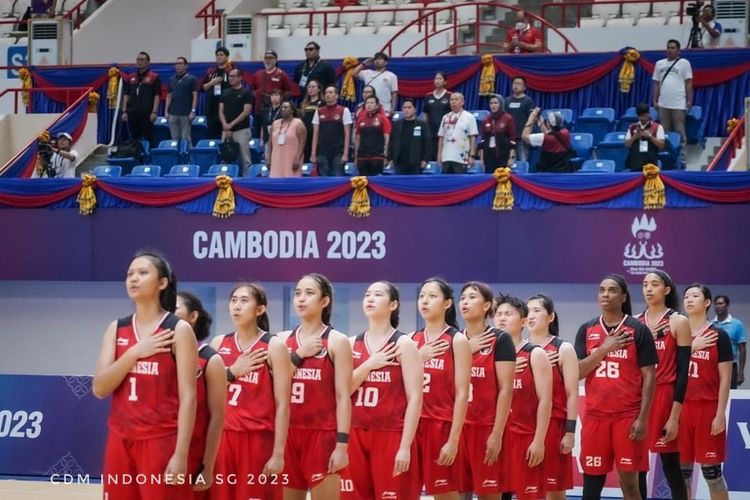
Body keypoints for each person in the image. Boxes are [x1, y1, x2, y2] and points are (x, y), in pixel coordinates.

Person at [93, 251, 197, 499]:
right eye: (130, 274)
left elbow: (189, 397)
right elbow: (99, 388)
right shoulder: (117, 328)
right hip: (120, 438)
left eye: (142, 273)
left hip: (161, 440)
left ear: (162, 283)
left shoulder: (178, 329)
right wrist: (133, 353)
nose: (133, 279)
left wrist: (181, 453)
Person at [575, 274, 657, 500]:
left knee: (630, 485)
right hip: (595, 417)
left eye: (611, 290)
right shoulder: (587, 329)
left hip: (627, 417)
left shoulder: (638, 330)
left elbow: (649, 376)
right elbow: (578, 372)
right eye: (602, 290)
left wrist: (642, 418)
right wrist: (603, 349)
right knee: (591, 485)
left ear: (623, 297)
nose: (605, 294)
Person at [209, 283, 291, 500]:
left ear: (260, 309)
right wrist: (232, 371)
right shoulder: (219, 343)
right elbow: (207, 393)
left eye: (244, 301)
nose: (236, 306)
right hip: (223, 438)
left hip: (258, 440)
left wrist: (278, 453)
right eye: (234, 300)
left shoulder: (274, 346)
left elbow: (283, 404)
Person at [344, 281, 423, 499]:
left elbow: (415, 399)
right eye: (367, 294)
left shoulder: (404, 344)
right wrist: (369, 364)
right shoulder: (351, 344)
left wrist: (405, 446)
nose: (369, 298)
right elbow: (343, 391)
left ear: (393, 305)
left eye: (377, 295)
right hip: (355, 433)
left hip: (391, 434)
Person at [280, 273, 352, 499]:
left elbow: (343, 396)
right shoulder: (282, 340)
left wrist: (341, 445)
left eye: (309, 293)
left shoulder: (337, 340)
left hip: (322, 435)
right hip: (287, 433)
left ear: (325, 301)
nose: (301, 298)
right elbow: (276, 386)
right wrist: (299, 354)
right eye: (298, 293)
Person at [412, 277, 471, 500]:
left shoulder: (457, 340)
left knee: (445, 494)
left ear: (447, 303)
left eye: (432, 296)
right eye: (422, 296)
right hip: (412, 425)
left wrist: (453, 440)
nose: (424, 301)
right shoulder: (411, 340)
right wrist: (419, 356)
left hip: (441, 427)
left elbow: (463, 393)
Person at [634, 271, 691, 500]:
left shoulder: (678, 321)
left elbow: (683, 374)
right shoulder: (636, 322)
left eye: (654, 284)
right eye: (645, 284)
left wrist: (674, 417)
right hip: (638, 400)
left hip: (666, 397)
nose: (648, 289)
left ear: (666, 289)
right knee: (637, 466)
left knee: (671, 466)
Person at [457, 282, 515, 500]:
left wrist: (497, 434)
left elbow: (506, 390)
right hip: (458, 427)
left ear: (486, 306)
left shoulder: (500, 339)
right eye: (463, 298)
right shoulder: (455, 338)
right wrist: (465, 350)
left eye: (472, 297)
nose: (465, 302)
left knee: (489, 494)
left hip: (487, 427)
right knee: (460, 493)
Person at [494, 294, 552, 500]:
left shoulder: (535, 354)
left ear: (524, 322)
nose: (501, 318)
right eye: (498, 314)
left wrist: (539, 440)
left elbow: (546, 401)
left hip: (525, 437)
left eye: (508, 314)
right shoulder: (488, 355)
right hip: (496, 436)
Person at [681, 284, 732, 500]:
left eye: (695, 296)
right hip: (680, 408)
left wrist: (720, 414)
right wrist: (692, 346)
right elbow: (666, 368)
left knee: (712, 473)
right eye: (686, 296)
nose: (689, 300)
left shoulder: (719, 335)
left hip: (707, 408)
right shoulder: (676, 332)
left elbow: (725, 379)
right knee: (681, 472)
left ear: (707, 302)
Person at [526, 294, 578, 500]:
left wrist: (570, 432)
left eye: (537, 310)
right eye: (528, 311)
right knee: (527, 488)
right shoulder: (516, 350)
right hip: (522, 426)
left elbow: (572, 393)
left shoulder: (562, 348)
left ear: (551, 317)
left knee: (554, 491)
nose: (531, 315)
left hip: (553, 427)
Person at [175, 292, 225, 499]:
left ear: (193, 316)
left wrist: (208, 465)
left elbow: (217, 417)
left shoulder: (208, 358)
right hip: (157, 447)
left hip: (193, 453)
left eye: (175, 308)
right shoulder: (155, 352)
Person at [652, 40, 693, 162]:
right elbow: (656, 84)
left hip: (678, 104)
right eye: (668, 47)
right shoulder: (659, 64)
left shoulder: (684, 63)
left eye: (673, 48)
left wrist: (689, 101)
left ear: (678, 50)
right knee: (664, 133)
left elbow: (689, 83)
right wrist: (654, 100)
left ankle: (682, 157)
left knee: (680, 132)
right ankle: (666, 157)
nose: (670, 50)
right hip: (663, 104)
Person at [122, 51, 161, 147]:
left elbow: (157, 95)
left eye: (142, 59)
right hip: (132, 111)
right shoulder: (131, 77)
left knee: (148, 137)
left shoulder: (154, 77)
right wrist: (124, 111)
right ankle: (136, 158)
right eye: (138, 59)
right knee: (135, 138)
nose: (139, 61)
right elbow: (126, 95)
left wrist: (154, 112)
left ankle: (150, 158)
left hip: (146, 112)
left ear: (148, 62)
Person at [311, 85, 352, 177]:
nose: (328, 95)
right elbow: (315, 134)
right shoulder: (319, 111)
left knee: (338, 178)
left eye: (330, 92)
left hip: (338, 152)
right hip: (322, 151)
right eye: (326, 93)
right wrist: (313, 154)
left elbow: (347, 133)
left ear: (336, 95)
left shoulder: (344, 110)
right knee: (323, 179)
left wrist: (345, 153)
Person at [252, 49, 293, 139]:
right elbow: (253, 90)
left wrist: (277, 99)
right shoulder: (257, 74)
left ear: (276, 60)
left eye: (271, 58)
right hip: (259, 111)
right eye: (266, 58)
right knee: (258, 136)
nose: (268, 60)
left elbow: (288, 91)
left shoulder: (282, 74)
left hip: (275, 112)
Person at [219, 68, 253, 174]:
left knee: (245, 159)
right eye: (230, 76)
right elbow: (221, 111)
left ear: (240, 78)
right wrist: (225, 125)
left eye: (233, 76)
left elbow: (246, 112)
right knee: (224, 157)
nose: (231, 78)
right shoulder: (224, 92)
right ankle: (224, 180)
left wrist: (231, 124)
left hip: (241, 129)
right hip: (226, 130)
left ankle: (247, 180)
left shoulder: (246, 92)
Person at [387, 98, 432, 175]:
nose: (406, 110)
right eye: (404, 108)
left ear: (415, 109)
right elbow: (391, 142)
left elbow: (428, 143)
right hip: (399, 162)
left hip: (416, 163)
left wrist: (425, 160)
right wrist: (390, 158)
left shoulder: (422, 124)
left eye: (409, 107)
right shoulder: (397, 124)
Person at [437, 92, 478, 174]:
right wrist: (439, 154)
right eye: (451, 100)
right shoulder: (445, 117)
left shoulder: (469, 117)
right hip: (446, 157)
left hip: (461, 158)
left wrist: (472, 155)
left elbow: (473, 137)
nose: (453, 102)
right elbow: (441, 137)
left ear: (462, 102)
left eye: (456, 99)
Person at [522, 108, 573, 173]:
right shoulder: (566, 133)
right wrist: (541, 125)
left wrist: (531, 118)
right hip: (563, 171)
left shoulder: (544, 138)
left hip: (547, 174)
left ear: (548, 124)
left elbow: (524, 136)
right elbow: (552, 134)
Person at [713, 295, 747, 388]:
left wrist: (741, 372)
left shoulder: (737, 324)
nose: (718, 306)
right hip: (713, 367)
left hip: (731, 366)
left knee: (729, 394)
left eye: (721, 303)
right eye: (716, 304)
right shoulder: (711, 324)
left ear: (727, 305)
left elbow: (742, 349)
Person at [354, 95, 391, 176]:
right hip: (362, 157)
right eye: (367, 103)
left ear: (377, 105)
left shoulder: (383, 119)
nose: (369, 105)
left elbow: (387, 138)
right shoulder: (360, 120)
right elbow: (357, 139)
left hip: (377, 157)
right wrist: (356, 156)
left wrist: (386, 156)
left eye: (372, 103)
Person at [268, 101, 306, 178]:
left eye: (286, 107)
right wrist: (268, 158)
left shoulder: (298, 123)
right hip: (276, 158)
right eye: (282, 107)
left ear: (292, 110)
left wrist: (297, 158)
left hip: (292, 159)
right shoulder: (275, 123)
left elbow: (303, 142)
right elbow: (270, 143)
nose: (283, 109)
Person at [202, 47, 233, 139]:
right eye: (217, 55)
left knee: (225, 134)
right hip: (212, 107)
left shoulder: (231, 71)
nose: (219, 57)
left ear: (227, 57)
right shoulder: (211, 72)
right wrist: (212, 83)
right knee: (212, 133)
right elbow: (203, 87)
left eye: (221, 55)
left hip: (226, 107)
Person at [624, 103, 666, 172]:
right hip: (635, 165)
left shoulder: (657, 127)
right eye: (639, 116)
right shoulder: (632, 127)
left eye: (644, 116)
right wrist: (635, 136)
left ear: (649, 114)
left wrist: (649, 136)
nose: (641, 118)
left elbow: (661, 145)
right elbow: (626, 144)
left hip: (652, 166)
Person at [479, 95, 516, 173]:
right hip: (488, 156)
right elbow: (482, 140)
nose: (493, 105)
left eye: (496, 103)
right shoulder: (486, 119)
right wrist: (482, 158)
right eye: (491, 103)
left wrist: (511, 158)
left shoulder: (508, 118)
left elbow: (512, 140)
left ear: (501, 104)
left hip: (503, 155)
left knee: (502, 180)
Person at [165, 57, 198, 143]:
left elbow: (195, 96)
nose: (178, 66)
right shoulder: (171, 79)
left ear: (186, 66)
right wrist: (166, 111)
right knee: (174, 139)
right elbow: (169, 96)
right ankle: (176, 156)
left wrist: (193, 111)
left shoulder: (191, 79)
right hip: (173, 113)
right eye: (176, 64)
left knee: (185, 138)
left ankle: (188, 155)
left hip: (186, 114)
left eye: (180, 63)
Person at [423, 72, 452, 162]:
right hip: (431, 130)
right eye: (436, 79)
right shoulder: (428, 96)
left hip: (446, 130)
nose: (437, 81)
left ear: (445, 81)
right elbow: (426, 113)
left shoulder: (450, 96)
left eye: (440, 79)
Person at [505, 76, 534, 163]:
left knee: (522, 160)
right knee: (507, 162)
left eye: (519, 83)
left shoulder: (528, 101)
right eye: (514, 83)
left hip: (522, 137)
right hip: (508, 137)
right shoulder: (507, 100)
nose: (516, 85)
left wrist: (528, 135)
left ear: (524, 87)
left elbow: (531, 119)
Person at [300, 79, 324, 163]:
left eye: (313, 87)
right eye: (309, 87)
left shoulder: (322, 103)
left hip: (317, 134)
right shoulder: (304, 103)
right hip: (305, 134)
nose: (311, 89)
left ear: (319, 89)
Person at [261, 88, 283, 154]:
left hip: (279, 139)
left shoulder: (283, 110)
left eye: (276, 95)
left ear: (281, 97)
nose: (274, 98)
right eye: (272, 96)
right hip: (267, 139)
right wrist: (261, 139)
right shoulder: (266, 110)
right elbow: (263, 125)